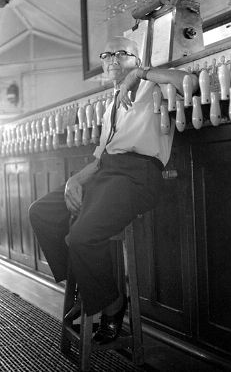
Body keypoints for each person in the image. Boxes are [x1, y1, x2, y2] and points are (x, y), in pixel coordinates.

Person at [29, 36, 198, 345]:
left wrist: (141, 73)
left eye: (122, 53)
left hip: (138, 176)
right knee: (41, 212)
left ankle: (113, 305)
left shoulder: (152, 87)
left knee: (81, 236)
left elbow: (190, 81)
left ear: (137, 58)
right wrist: (73, 181)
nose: (112, 59)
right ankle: (85, 286)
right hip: (106, 173)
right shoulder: (110, 107)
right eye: (107, 54)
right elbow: (99, 159)